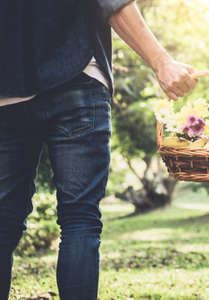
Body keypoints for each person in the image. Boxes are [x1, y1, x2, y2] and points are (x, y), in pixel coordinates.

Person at [0, 1, 196, 299]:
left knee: (2, 222)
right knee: (80, 219)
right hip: (76, 77)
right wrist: (162, 62)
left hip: (7, 89)